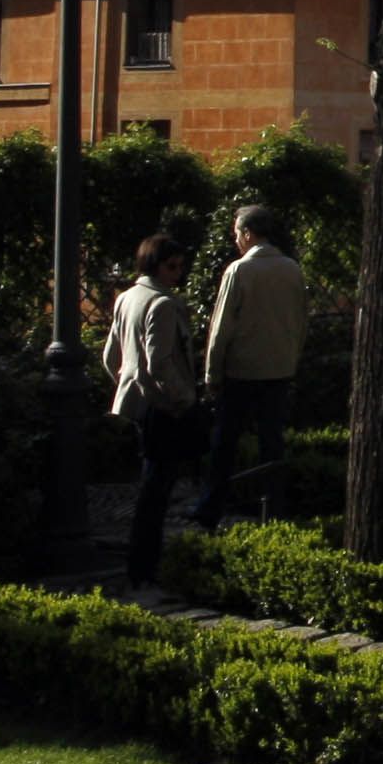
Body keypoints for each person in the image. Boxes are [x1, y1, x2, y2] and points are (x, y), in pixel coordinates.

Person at [191, 204, 308, 526]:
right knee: (273, 444)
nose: (236, 241)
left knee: (224, 444)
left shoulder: (239, 271)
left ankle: (210, 509)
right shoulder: (292, 269)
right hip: (280, 368)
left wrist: (212, 373)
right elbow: (300, 321)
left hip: (241, 370)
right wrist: (291, 358)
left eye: (237, 235)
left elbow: (221, 327)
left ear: (247, 233)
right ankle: (274, 510)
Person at [104, 228, 207, 587]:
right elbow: (160, 361)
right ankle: (145, 564)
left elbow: (111, 356)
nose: (177, 274)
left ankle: (141, 561)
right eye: (172, 266)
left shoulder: (127, 298)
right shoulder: (162, 304)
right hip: (163, 405)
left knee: (152, 485)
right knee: (156, 489)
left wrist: (124, 383)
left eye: (180, 267)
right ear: (156, 266)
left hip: (137, 402)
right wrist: (183, 397)